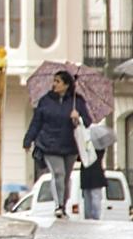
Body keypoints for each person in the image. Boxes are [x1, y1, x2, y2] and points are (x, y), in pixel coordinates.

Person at [24, 71, 91, 220]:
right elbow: (36, 122)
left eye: (58, 81)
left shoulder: (77, 101)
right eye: (54, 81)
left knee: (65, 177)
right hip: (49, 144)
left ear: (66, 85)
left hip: (70, 145)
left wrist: (77, 117)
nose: (54, 84)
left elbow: (87, 121)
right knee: (58, 173)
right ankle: (58, 205)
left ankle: (63, 205)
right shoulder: (45, 101)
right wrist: (28, 140)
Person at [80, 144, 107, 221]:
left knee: (93, 197)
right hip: (91, 173)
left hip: (92, 173)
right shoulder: (98, 145)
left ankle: (94, 216)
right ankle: (91, 216)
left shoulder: (98, 146)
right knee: (90, 197)